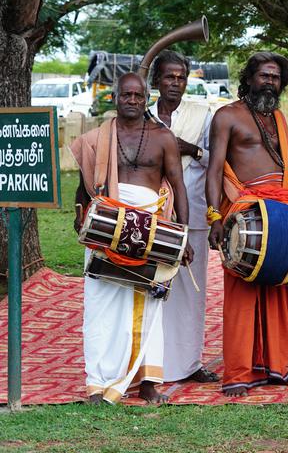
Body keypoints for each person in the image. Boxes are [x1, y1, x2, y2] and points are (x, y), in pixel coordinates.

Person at [71, 73, 191, 404]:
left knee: (150, 302)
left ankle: (149, 381)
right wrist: (79, 213)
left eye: (139, 95)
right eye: (127, 95)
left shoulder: (162, 137)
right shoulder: (97, 138)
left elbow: (179, 187)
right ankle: (99, 382)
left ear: (147, 97)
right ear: (116, 96)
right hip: (105, 226)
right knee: (100, 302)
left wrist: (184, 235)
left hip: (151, 230)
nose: (133, 100)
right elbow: (85, 182)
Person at [205, 52, 288, 397]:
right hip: (244, 210)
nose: (270, 82)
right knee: (243, 291)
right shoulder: (227, 116)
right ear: (249, 78)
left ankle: (277, 368)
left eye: (276, 77)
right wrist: (214, 216)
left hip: (281, 210)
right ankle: (239, 372)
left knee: (280, 288)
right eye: (264, 75)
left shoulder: (278, 117)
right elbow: (214, 169)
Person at [149, 51, 218, 385]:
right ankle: (150, 365)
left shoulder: (202, 114)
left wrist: (186, 148)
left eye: (180, 77)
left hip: (193, 211)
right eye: (168, 77)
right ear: (157, 80)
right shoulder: (143, 114)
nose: (175, 83)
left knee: (191, 289)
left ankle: (189, 363)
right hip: (150, 213)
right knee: (152, 286)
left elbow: (213, 161)